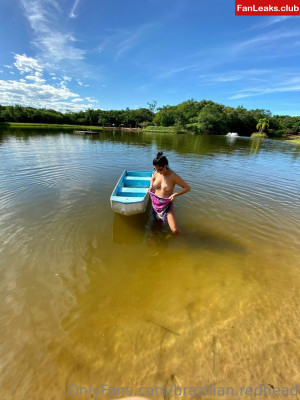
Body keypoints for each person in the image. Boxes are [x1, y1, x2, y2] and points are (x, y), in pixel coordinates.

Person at [149, 151, 191, 235]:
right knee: (157, 224)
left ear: (165, 165)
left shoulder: (173, 176)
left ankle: (184, 244)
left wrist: (175, 194)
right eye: (155, 169)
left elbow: (187, 188)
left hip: (166, 204)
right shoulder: (157, 172)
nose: (158, 171)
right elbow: (152, 178)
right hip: (155, 203)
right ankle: (158, 238)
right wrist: (151, 186)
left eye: (160, 169)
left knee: (175, 230)